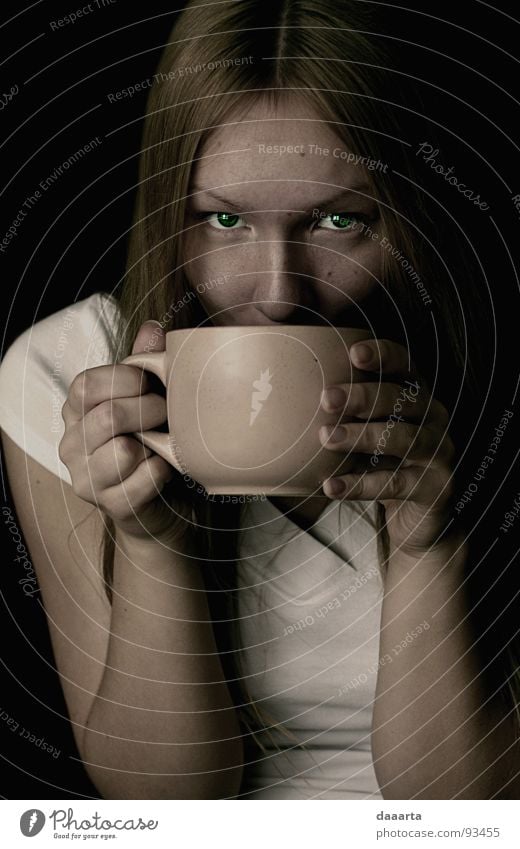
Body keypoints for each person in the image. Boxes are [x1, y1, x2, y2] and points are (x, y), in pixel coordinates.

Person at [0, 0, 518, 799]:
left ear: (411, 214)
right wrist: (148, 540)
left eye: (341, 220)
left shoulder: (495, 377)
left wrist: (429, 549)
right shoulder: (71, 370)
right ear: (169, 210)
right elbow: (164, 801)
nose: (279, 294)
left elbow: (465, 808)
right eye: (224, 219)